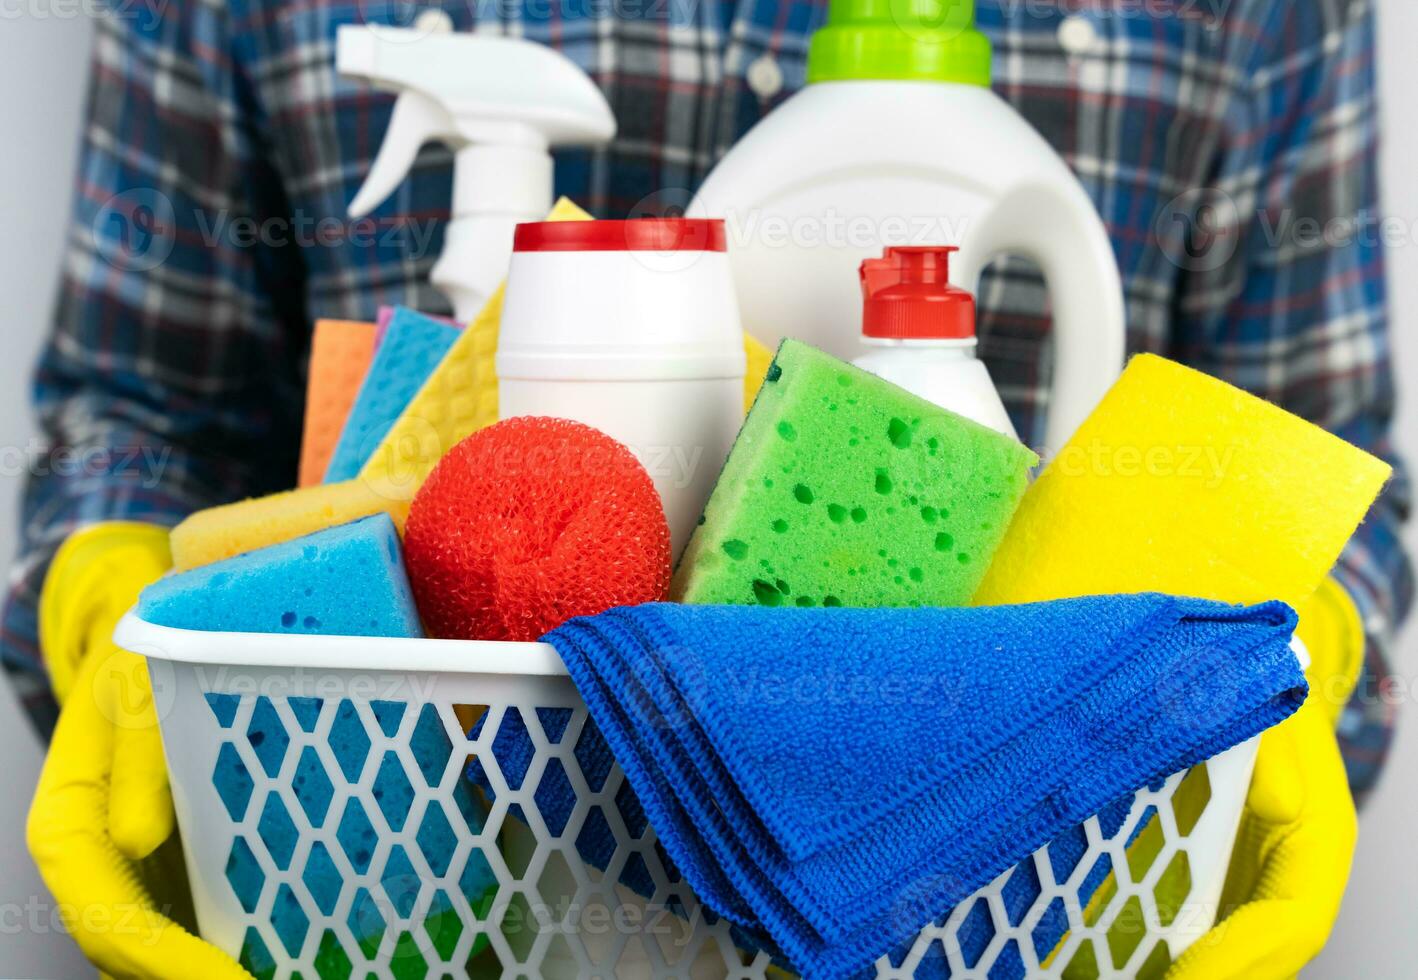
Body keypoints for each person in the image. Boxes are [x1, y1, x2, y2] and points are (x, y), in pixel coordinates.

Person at [10, 0, 1409, 976]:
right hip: (390, 879)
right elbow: (137, 410)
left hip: (1021, 918)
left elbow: (1328, 448)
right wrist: (106, 599)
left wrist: (1298, 658)